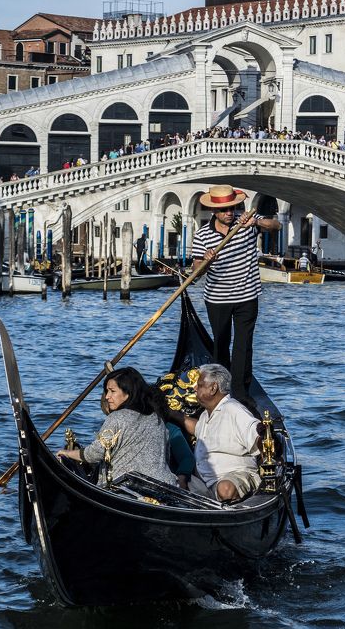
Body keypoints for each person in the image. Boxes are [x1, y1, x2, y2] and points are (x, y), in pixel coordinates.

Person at [191, 185, 281, 402]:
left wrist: (257, 222)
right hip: (217, 298)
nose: (230, 213)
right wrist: (206, 260)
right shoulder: (202, 236)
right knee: (221, 345)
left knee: (243, 345)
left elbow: (275, 225)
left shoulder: (247, 220)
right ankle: (220, 389)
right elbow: (195, 273)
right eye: (224, 210)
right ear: (214, 212)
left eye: (232, 207)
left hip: (247, 296)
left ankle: (240, 393)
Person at [56, 367, 174, 487]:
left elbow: (95, 453)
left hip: (129, 488)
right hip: (165, 485)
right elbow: (166, 456)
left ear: (128, 393)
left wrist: (68, 453)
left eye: (112, 391)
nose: (107, 396)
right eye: (107, 391)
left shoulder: (117, 417)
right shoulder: (157, 419)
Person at [173, 364, 261, 502]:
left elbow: (257, 435)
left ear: (213, 388)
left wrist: (268, 440)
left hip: (234, 476)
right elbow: (197, 429)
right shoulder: (206, 415)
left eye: (200, 385)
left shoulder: (234, 410)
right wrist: (171, 414)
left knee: (225, 489)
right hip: (203, 482)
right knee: (170, 485)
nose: (194, 388)